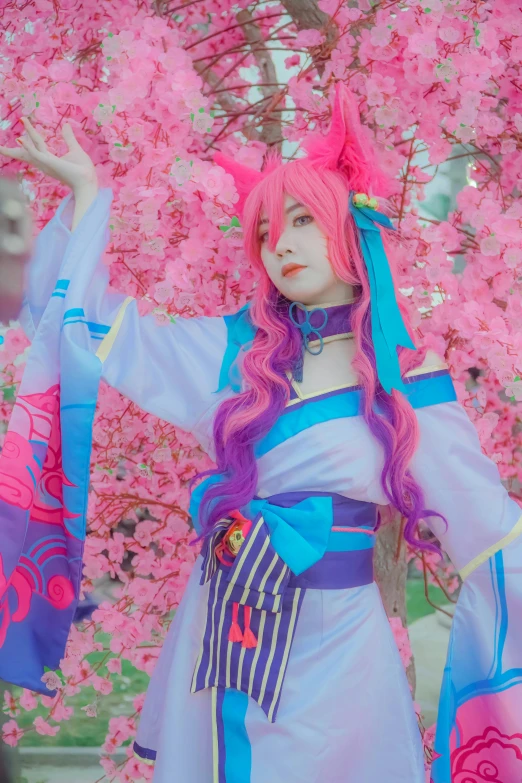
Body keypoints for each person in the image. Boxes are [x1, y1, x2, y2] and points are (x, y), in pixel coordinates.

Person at [0, 83, 521, 783]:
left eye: (304, 220)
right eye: (268, 233)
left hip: (339, 646)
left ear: (350, 229)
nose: (283, 246)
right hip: (229, 622)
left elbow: (488, 533)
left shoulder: (405, 376)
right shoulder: (234, 354)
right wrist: (90, 192)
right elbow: (96, 331)